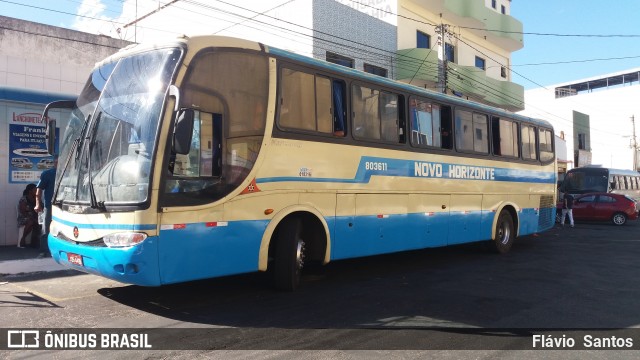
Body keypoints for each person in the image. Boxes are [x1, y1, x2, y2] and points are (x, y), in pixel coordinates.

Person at [35, 157, 57, 257]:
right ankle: (44, 251)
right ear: (55, 162)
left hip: (64, 206)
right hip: (50, 206)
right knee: (46, 229)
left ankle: (57, 250)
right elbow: (39, 190)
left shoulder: (67, 173)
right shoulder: (47, 174)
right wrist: (38, 204)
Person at [17, 183, 39, 248]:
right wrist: (32, 217)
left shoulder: (36, 198)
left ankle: (34, 243)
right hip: (23, 217)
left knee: (38, 223)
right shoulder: (24, 199)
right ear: (30, 191)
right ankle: (23, 238)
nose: (36, 191)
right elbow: (23, 211)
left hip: (33, 217)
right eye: (35, 190)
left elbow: (39, 208)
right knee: (31, 222)